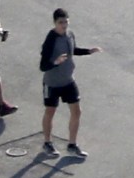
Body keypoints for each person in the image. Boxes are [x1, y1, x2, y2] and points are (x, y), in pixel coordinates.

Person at [39, 8, 99, 156]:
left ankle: (72, 145)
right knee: (50, 112)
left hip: (68, 81)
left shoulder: (70, 35)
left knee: (76, 112)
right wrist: (56, 62)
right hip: (52, 83)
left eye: (66, 22)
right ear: (55, 23)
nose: (64, 25)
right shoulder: (51, 39)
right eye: (60, 22)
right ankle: (47, 143)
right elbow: (43, 66)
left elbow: (73, 50)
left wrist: (88, 51)